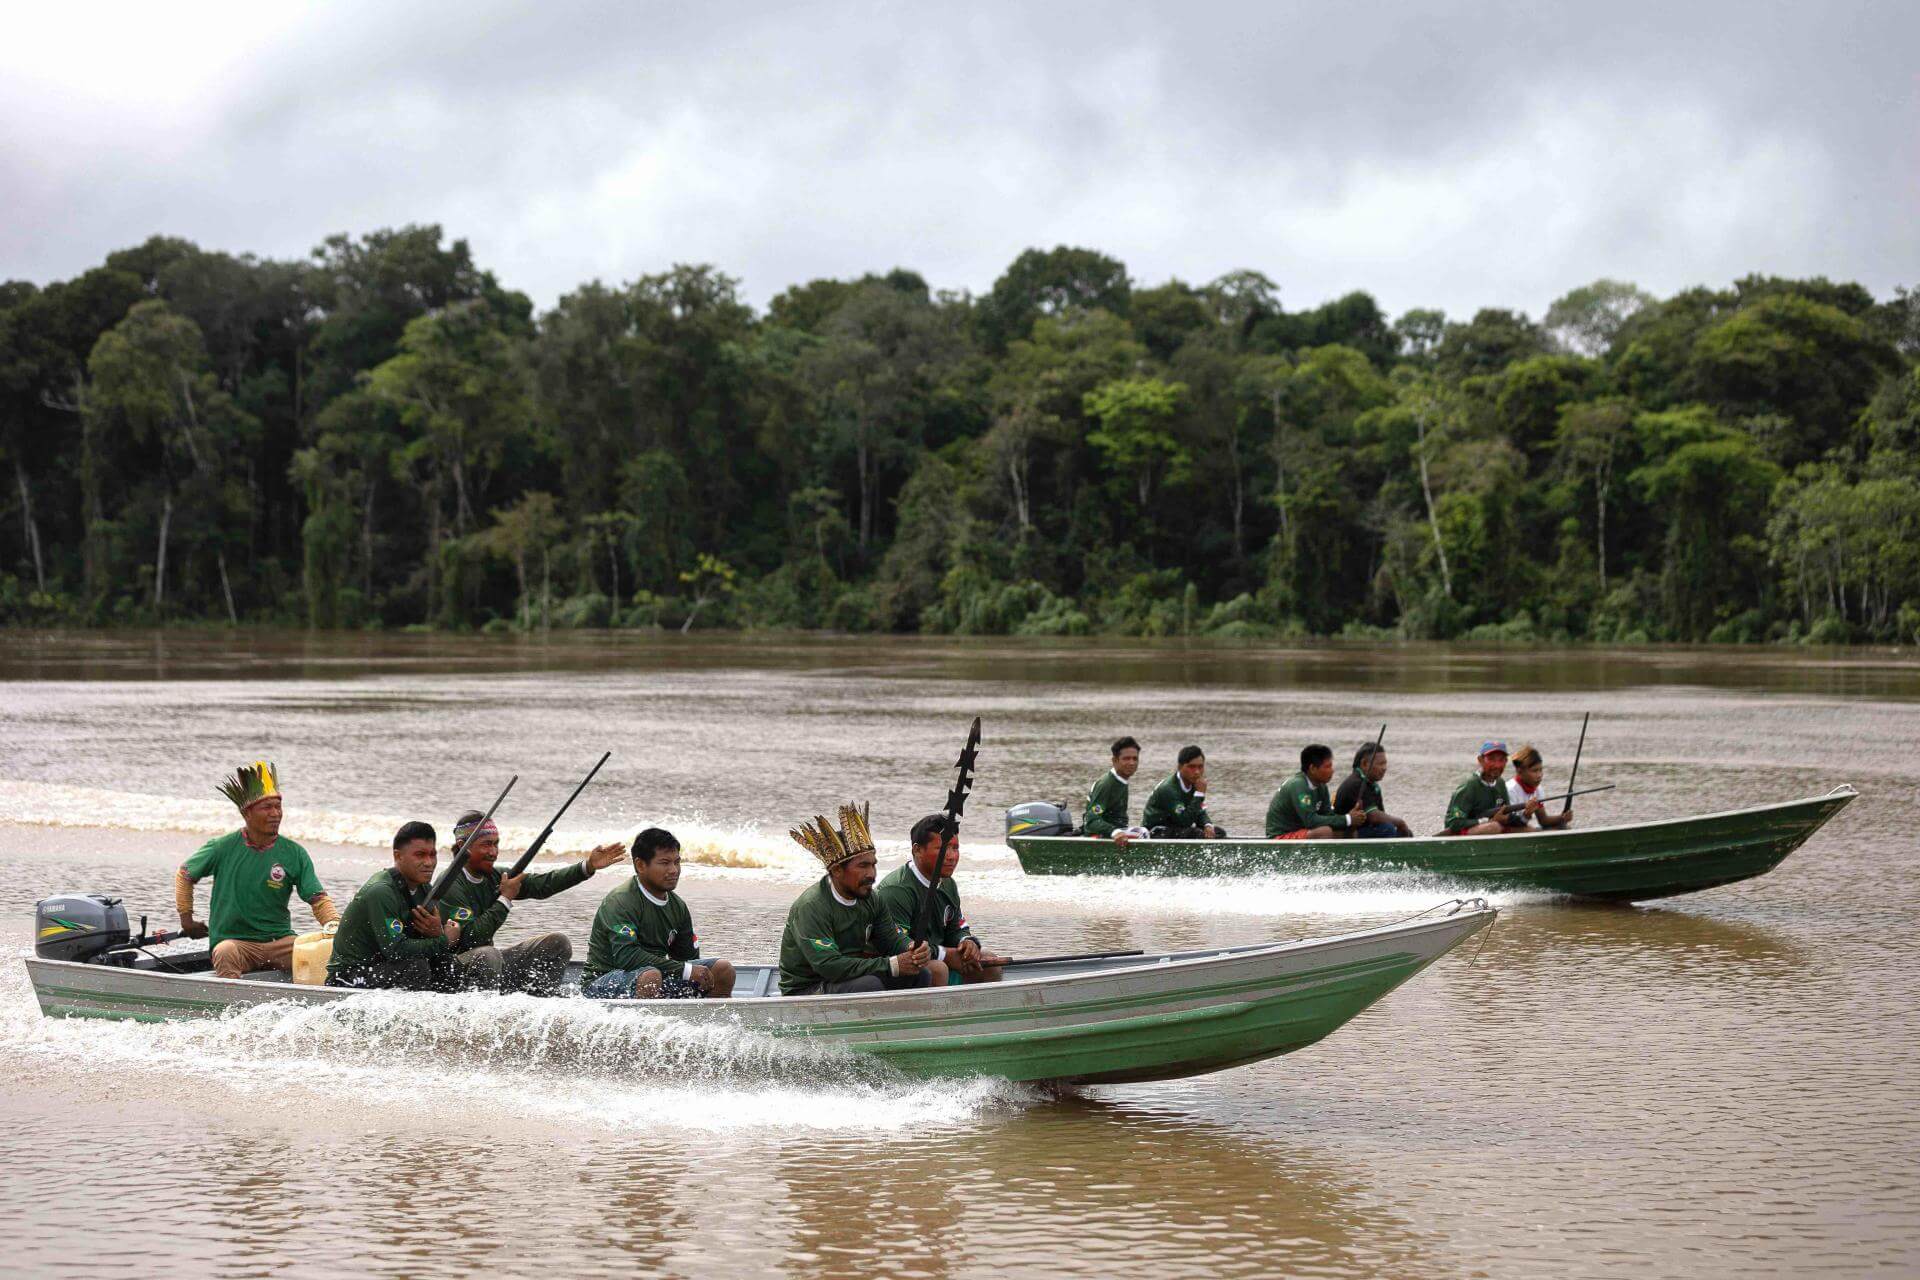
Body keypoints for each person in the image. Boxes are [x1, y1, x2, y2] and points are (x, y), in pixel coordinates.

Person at [433, 808, 628, 994]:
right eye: (486, 844)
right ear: (462, 846)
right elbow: (472, 938)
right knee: (488, 954)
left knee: (557, 943)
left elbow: (542, 885)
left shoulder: (494, 875)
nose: (493, 852)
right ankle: (487, 1014)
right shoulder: (450, 883)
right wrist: (505, 900)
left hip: (488, 964)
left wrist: (587, 866)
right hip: (456, 970)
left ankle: (538, 1006)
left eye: (496, 844)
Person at [176, 761, 338, 979]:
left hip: (279, 943)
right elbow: (185, 874)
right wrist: (187, 919)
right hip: (236, 944)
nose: (275, 813)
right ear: (247, 813)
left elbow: (317, 898)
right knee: (225, 952)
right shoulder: (221, 847)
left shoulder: (294, 853)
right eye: (267, 807)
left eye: (278, 807)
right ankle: (229, 1006)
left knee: (328, 951)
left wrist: (334, 925)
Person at [778, 803, 946, 996]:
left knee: (921, 974)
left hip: (851, 978)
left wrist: (911, 947)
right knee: (868, 986)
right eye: (863, 866)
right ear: (837, 871)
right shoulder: (811, 906)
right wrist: (891, 964)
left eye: (873, 865)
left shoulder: (871, 899)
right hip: (808, 988)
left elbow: (890, 938)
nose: (871, 874)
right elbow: (829, 966)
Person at [582, 828, 736, 999]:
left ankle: (708, 1023)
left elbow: (687, 960)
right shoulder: (620, 901)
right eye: (664, 863)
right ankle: (643, 1024)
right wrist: (685, 970)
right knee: (650, 977)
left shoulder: (678, 906)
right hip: (602, 982)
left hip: (654, 977)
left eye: (677, 862)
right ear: (640, 865)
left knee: (722, 970)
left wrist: (693, 973)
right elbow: (626, 957)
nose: (674, 870)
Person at [327, 821, 461, 989]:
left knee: (446, 963)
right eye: (420, 855)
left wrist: (438, 933)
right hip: (348, 975)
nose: (429, 862)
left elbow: (426, 942)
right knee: (416, 968)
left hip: (387, 967)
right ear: (398, 856)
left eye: (432, 854)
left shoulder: (424, 888)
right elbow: (396, 949)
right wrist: (444, 940)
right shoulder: (381, 891)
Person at [875, 814, 1007, 984]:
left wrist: (966, 943)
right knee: (938, 969)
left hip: (937, 955)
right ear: (917, 850)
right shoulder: (896, 890)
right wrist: (945, 955)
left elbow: (956, 927)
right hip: (898, 968)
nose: (951, 856)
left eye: (955, 848)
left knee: (990, 962)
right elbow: (898, 945)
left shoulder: (948, 884)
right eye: (943, 848)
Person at [1266, 744, 1365, 839]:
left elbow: (1328, 815)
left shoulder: (1321, 786)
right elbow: (1311, 821)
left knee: (1347, 832)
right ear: (1312, 768)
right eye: (1327, 766)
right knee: (1325, 832)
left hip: (1302, 831)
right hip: (1281, 836)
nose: (1332, 770)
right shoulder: (1298, 785)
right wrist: (1347, 819)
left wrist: (1351, 819)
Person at [1333, 742, 1414, 838]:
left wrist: (1401, 827)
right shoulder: (1356, 783)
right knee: (1387, 829)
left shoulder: (1371, 785)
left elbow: (1380, 815)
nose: (1384, 768)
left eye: (1385, 763)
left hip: (1362, 830)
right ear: (1364, 764)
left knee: (1406, 832)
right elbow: (1374, 817)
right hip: (1347, 834)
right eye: (1380, 764)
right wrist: (1400, 823)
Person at [1142, 746, 1224, 838]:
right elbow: (1184, 821)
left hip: (1178, 828)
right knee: (1195, 833)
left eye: (1200, 767)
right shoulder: (1168, 789)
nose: (1197, 772)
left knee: (1218, 832)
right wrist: (1199, 794)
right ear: (1180, 767)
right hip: (1157, 830)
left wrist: (1207, 825)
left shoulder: (1194, 783)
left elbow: (1200, 811)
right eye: (1191, 767)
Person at [1443, 742, 1515, 836]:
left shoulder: (1500, 783)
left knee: (1527, 829)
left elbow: (1506, 813)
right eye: (1491, 759)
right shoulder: (1469, 786)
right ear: (1480, 760)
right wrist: (1486, 821)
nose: (1497, 765)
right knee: (1493, 827)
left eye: (1501, 760)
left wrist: (1526, 815)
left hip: (1488, 827)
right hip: (1461, 834)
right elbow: (1453, 823)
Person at [1083, 736, 1145, 846]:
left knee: (1143, 830)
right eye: (1126, 758)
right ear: (1115, 761)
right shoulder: (1106, 784)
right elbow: (1091, 820)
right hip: (1098, 835)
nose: (1132, 763)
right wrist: (1114, 831)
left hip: (1115, 832)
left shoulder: (1121, 780)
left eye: (1135, 759)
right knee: (1143, 834)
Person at [1503, 744, 1575, 830]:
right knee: (1529, 829)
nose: (1539, 775)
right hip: (1507, 829)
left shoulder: (1537, 790)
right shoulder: (1510, 790)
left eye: (1540, 770)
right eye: (1534, 771)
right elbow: (1509, 823)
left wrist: (1562, 818)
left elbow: (1543, 820)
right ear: (1519, 771)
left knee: (1563, 827)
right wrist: (1527, 814)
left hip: (1523, 827)